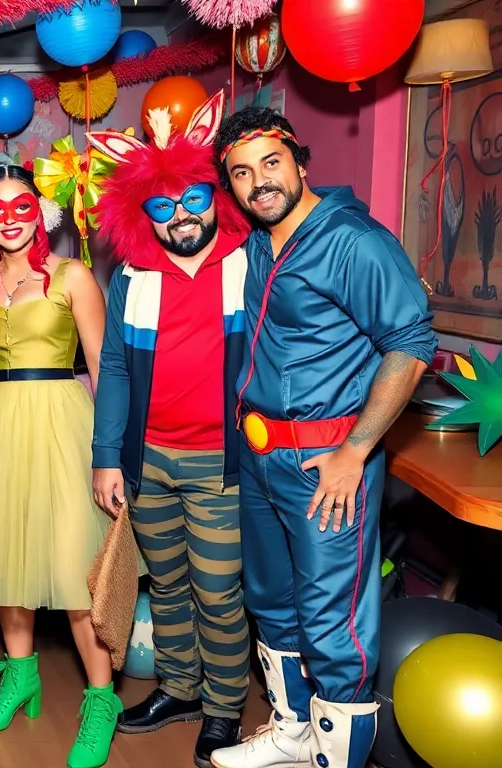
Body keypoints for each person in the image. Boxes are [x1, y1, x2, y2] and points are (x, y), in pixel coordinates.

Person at [209, 109, 437, 768]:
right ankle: (291, 732)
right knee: (271, 601)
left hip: (327, 463)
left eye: (271, 163)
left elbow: (411, 344)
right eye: (241, 173)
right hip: (260, 455)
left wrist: (355, 452)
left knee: (333, 623)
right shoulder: (261, 242)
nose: (259, 182)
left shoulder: (353, 240)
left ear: (300, 162)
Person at [0, 163, 122, 768]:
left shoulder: (72, 276)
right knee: (6, 560)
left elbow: (105, 368)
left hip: (63, 426)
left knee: (74, 572)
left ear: (41, 213)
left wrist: (109, 454)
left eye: (23, 207)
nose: (10, 219)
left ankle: (101, 700)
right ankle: (21, 676)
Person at [84, 91, 251, 768]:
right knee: (168, 585)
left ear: (216, 196)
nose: (180, 215)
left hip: (222, 464)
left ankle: (224, 706)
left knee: (219, 592)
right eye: (162, 206)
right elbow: (114, 367)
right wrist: (106, 455)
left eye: (193, 199)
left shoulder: (250, 261)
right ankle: (180, 689)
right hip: (148, 460)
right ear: (142, 212)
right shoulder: (133, 276)